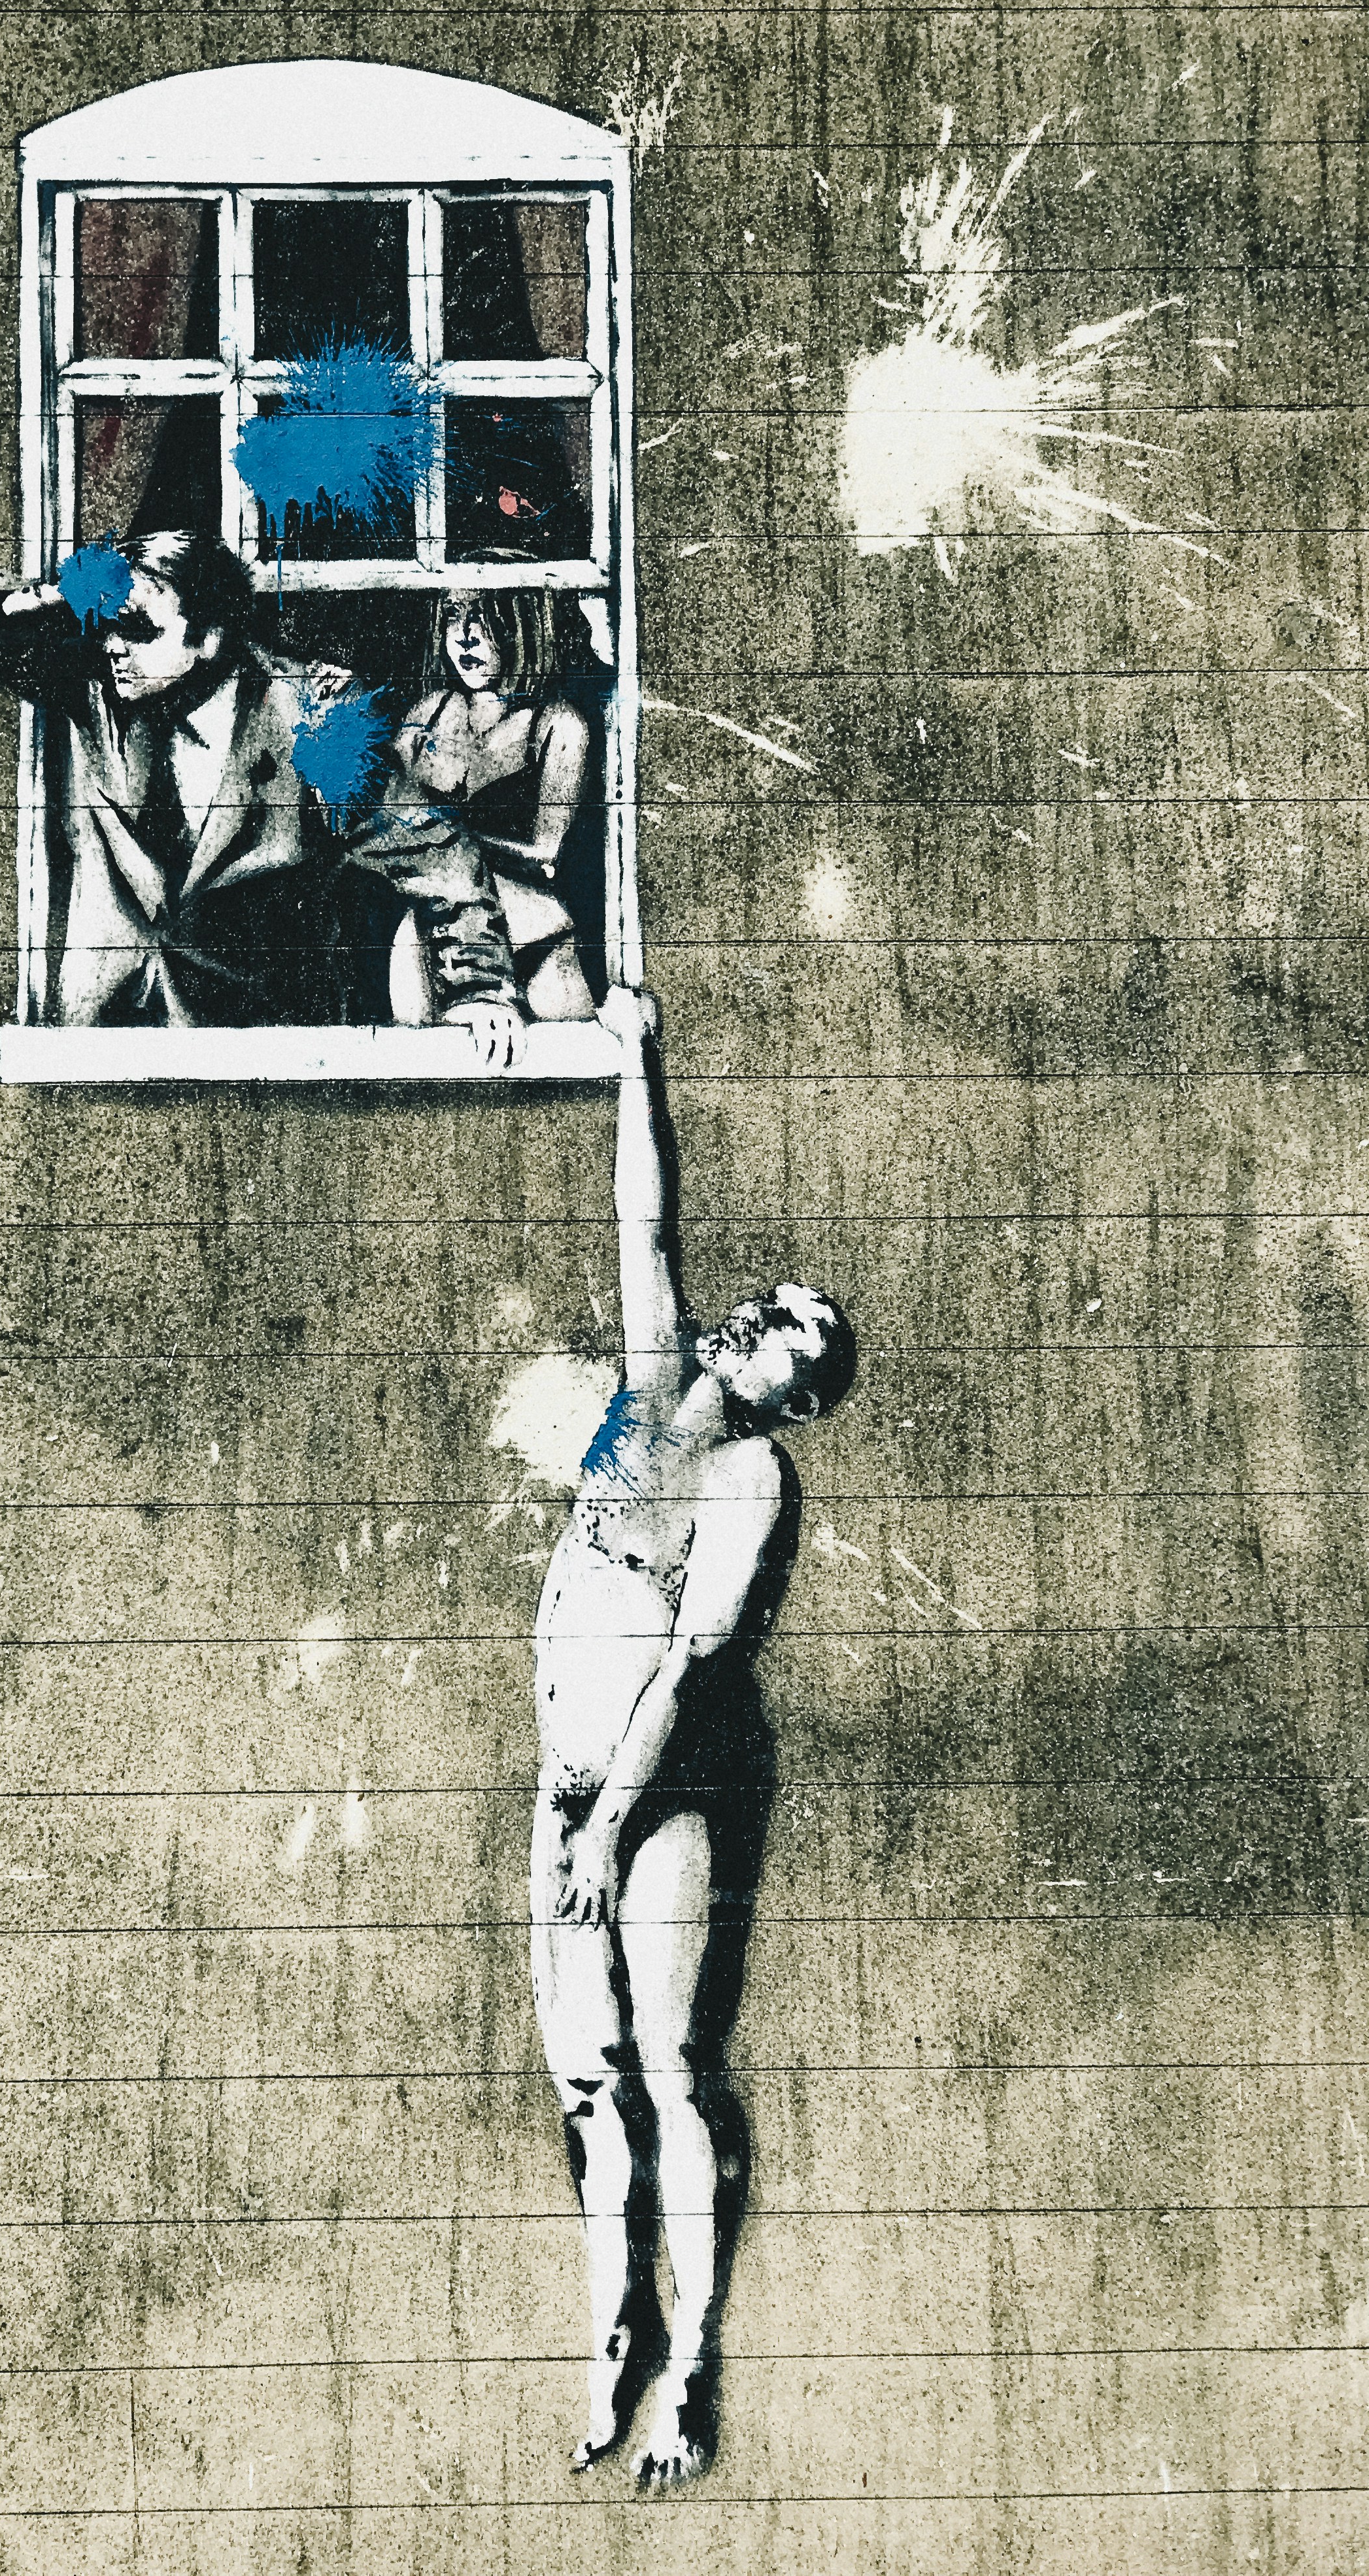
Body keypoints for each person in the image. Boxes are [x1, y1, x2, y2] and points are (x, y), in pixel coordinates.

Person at [532, 986, 856, 2484]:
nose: (755, 1340)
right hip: (570, 1787)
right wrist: (638, 1046)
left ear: (795, 1393)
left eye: (786, 1351)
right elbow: (641, 1217)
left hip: (663, 1799)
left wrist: (608, 1826)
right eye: (765, 1318)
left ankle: (695, 2368)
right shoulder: (653, 1389)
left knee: (669, 2066)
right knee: (588, 2080)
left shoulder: (754, 1488)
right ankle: (616, 2338)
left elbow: (689, 1661)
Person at [0, 531, 523, 1059]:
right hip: (105, 1041)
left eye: (139, 629)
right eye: (108, 627)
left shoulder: (309, 715)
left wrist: (481, 991)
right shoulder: (94, 685)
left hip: (261, 1051)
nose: (113, 646)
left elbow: (439, 858)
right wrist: (56, 593)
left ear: (210, 635)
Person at [387, 583, 598, 1023]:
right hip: (435, 929)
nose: (464, 635)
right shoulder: (428, 714)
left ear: (522, 625)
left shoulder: (556, 724)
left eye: (483, 617)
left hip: (533, 934)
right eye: (451, 616)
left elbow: (546, 856)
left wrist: (447, 839)